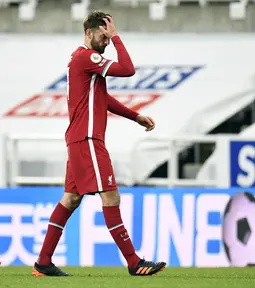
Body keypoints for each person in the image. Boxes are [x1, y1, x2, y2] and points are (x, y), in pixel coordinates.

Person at [32, 11, 166, 277]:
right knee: (111, 196)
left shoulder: (81, 61)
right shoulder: (86, 56)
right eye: (103, 37)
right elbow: (128, 70)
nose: (106, 42)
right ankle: (134, 262)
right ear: (90, 33)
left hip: (79, 139)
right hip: (89, 140)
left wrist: (135, 116)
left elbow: (103, 99)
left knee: (70, 199)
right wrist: (117, 37)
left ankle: (43, 263)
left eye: (108, 38)